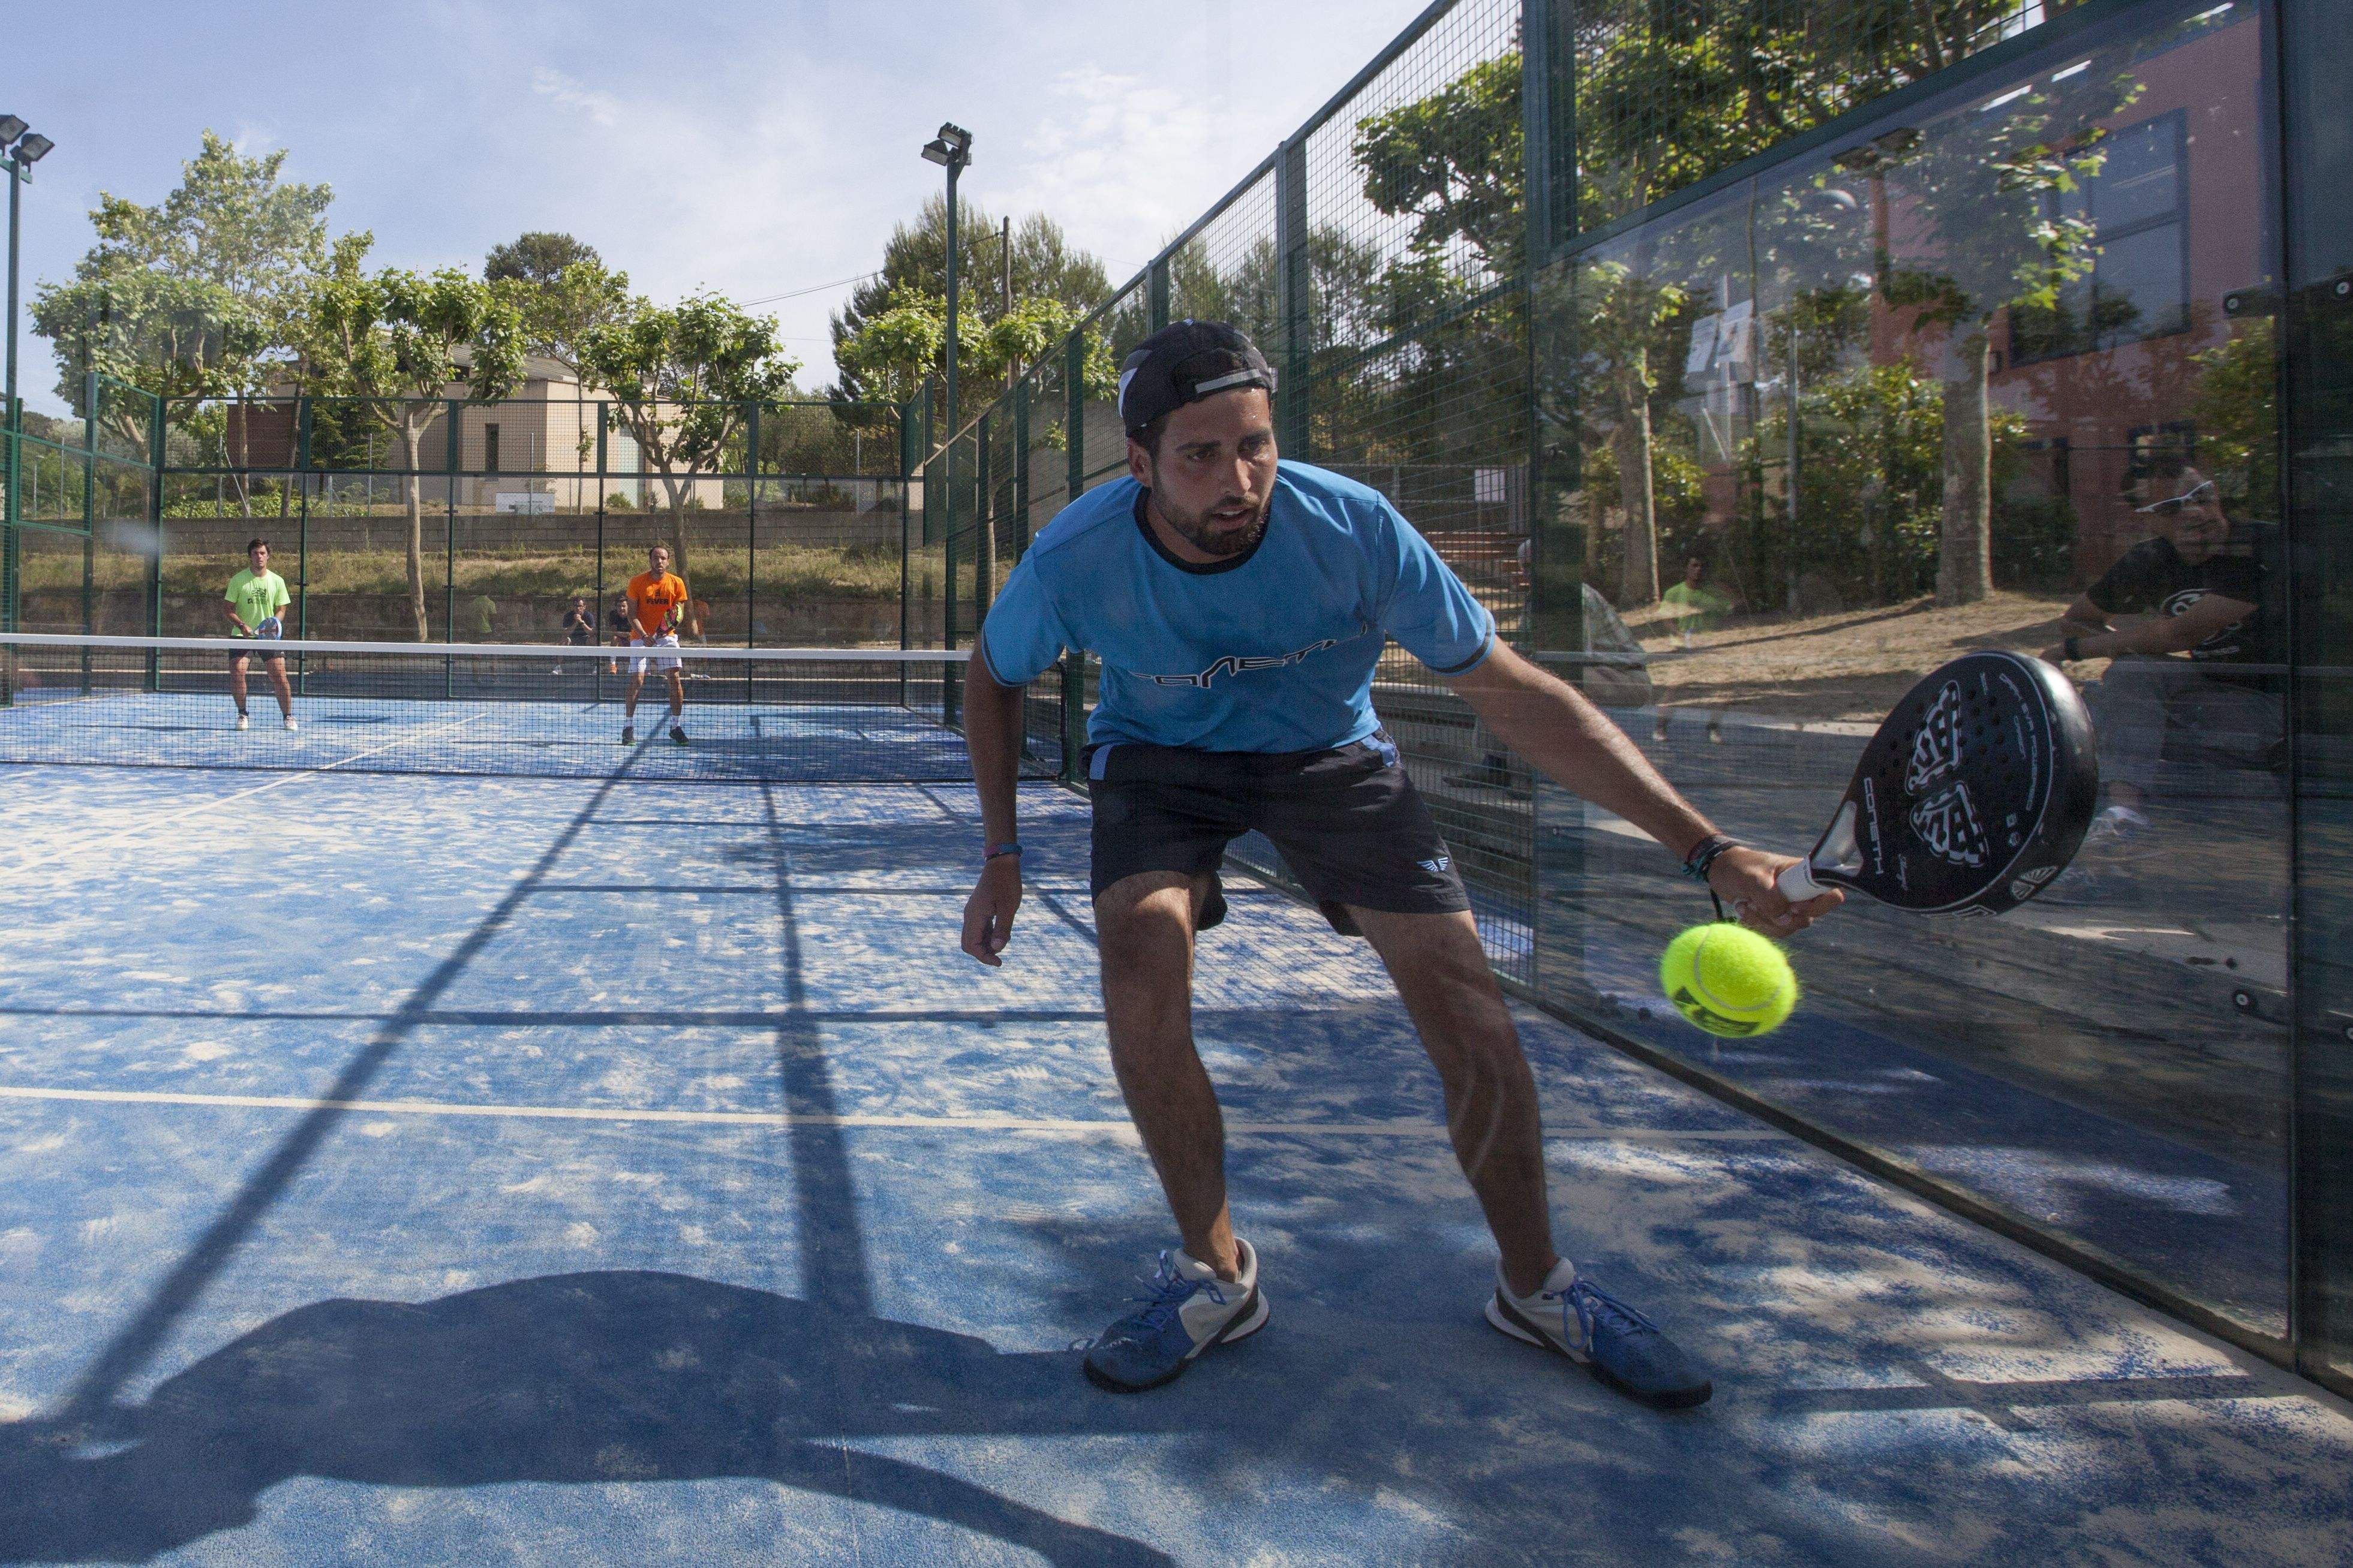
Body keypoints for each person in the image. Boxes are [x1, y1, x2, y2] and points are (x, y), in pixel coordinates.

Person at [958, 321, 1838, 1409]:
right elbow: (989, 677)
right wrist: (999, 852)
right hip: (1160, 760)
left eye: (1256, 446)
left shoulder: (1355, 530)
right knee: (1139, 966)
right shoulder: (1071, 560)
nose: (1238, 481)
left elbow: (1514, 694)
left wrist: (1704, 847)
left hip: (1329, 754)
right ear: (1138, 464)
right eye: (1200, 457)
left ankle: (1537, 1290)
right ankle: (1214, 1274)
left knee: (1466, 1000)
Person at [2039, 462, 2276, 851]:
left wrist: (2071, 652)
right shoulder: (2150, 561)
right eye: (2171, 508)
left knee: (2112, 699)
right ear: (2149, 520)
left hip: (2275, 698)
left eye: (2201, 496)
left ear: (2217, 495)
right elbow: (2077, 619)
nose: (2195, 512)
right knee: (2126, 678)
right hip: (2208, 691)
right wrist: (2128, 649)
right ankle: (2124, 815)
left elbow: (2173, 634)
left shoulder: (2257, 546)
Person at [222, 538, 296, 733]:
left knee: (280, 676)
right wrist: (242, 625)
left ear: (268, 556)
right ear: (250, 556)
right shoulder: (238, 580)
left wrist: (272, 626)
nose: (259, 556)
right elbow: (228, 609)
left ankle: (288, 716)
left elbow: (281, 609)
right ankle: (242, 714)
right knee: (237, 672)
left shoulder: (277, 581)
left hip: (269, 638)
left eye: (262, 553)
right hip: (241, 635)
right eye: (255, 553)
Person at [622, 543, 690, 746]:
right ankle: (628, 727)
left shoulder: (677, 583)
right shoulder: (637, 582)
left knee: (675, 679)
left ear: (668, 561)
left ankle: (675, 727)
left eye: (663, 558)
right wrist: (644, 635)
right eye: (655, 558)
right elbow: (632, 614)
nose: (659, 562)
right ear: (650, 560)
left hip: (666, 638)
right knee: (637, 680)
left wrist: (660, 633)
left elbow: (678, 614)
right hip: (639, 637)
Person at [1660, 555, 1728, 647]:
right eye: (1695, 566)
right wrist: (1680, 635)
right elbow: (1667, 621)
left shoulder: (1715, 592)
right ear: (1686, 569)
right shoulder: (1673, 593)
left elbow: (1728, 613)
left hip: (1711, 643)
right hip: (1683, 646)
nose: (1698, 569)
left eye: (1702, 566)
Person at [558, 595, 594, 676]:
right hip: (572, 638)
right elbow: (565, 633)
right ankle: (559, 667)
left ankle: (596, 667)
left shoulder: (589, 616)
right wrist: (576, 623)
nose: (578, 608)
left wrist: (581, 622)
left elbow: (591, 633)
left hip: (585, 638)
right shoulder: (568, 616)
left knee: (594, 640)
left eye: (580, 606)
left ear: (584, 607)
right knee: (563, 640)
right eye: (576, 606)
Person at [606, 593, 633, 675]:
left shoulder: (633, 614)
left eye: (624, 606)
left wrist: (629, 636)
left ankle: (633, 667)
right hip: (620, 639)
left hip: (632, 639)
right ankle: (613, 665)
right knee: (615, 638)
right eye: (619, 606)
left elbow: (635, 632)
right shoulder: (613, 615)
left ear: (628, 606)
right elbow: (614, 632)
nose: (621, 608)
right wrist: (626, 635)